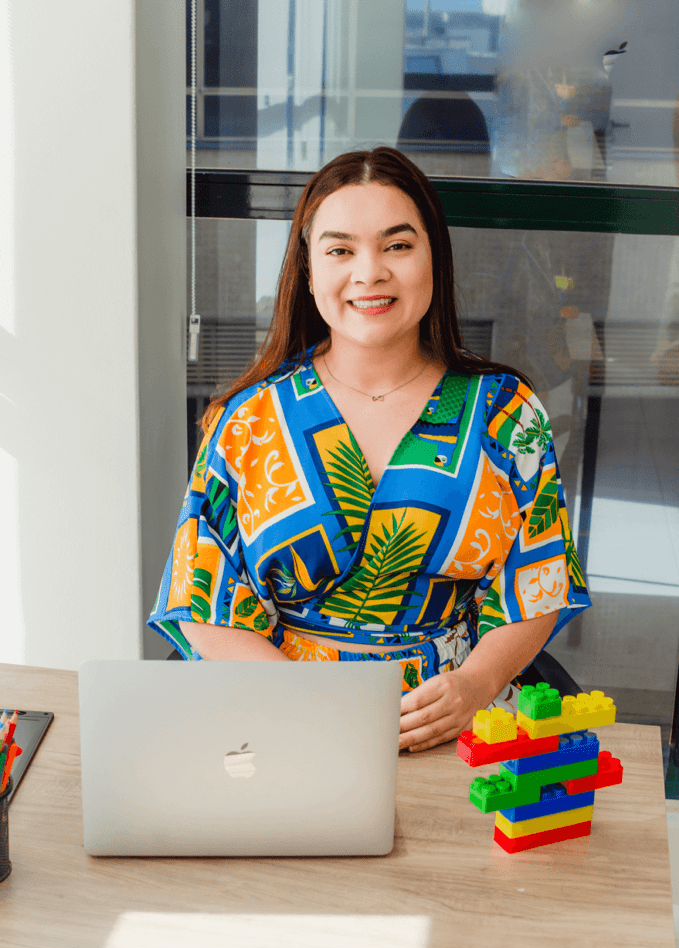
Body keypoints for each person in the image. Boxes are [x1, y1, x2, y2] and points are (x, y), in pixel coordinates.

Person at [148, 147, 591, 753]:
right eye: (340, 250)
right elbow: (202, 603)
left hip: (455, 728)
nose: (370, 272)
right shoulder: (248, 419)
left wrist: (475, 685)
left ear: (434, 257)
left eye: (397, 245)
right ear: (308, 271)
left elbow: (540, 580)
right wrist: (313, 711)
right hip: (281, 725)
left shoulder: (507, 413)